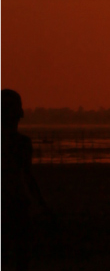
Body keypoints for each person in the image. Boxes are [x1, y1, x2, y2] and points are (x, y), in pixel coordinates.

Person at [3, 89, 48, 270]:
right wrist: (40, 203)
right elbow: (28, 176)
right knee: (20, 254)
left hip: (15, 203)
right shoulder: (21, 143)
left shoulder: (20, 143)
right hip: (17, 203)